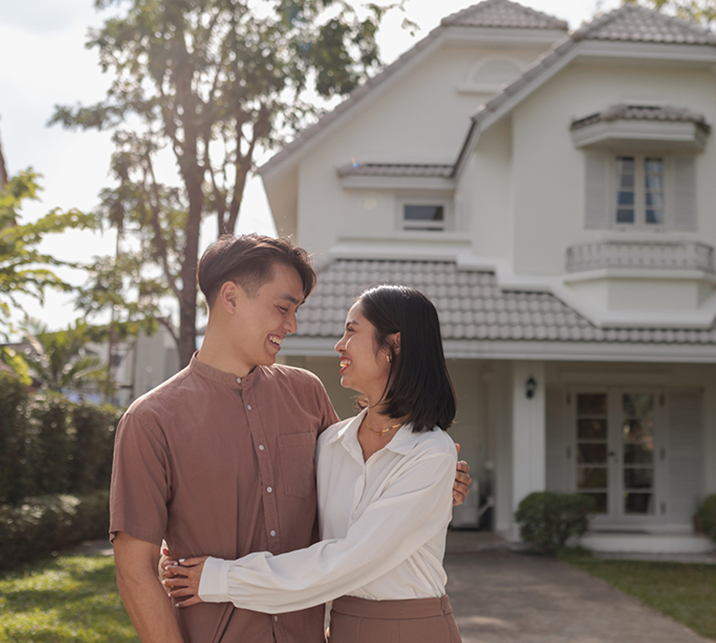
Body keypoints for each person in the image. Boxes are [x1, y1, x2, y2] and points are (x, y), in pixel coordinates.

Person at [109, 235, 469, 643]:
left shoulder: (307, 393)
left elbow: (356, 495)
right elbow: (135, 569)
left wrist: (437, 485)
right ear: (230, 297)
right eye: (282, 308)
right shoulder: (151, 420)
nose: (292, 325)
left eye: (295, 311)